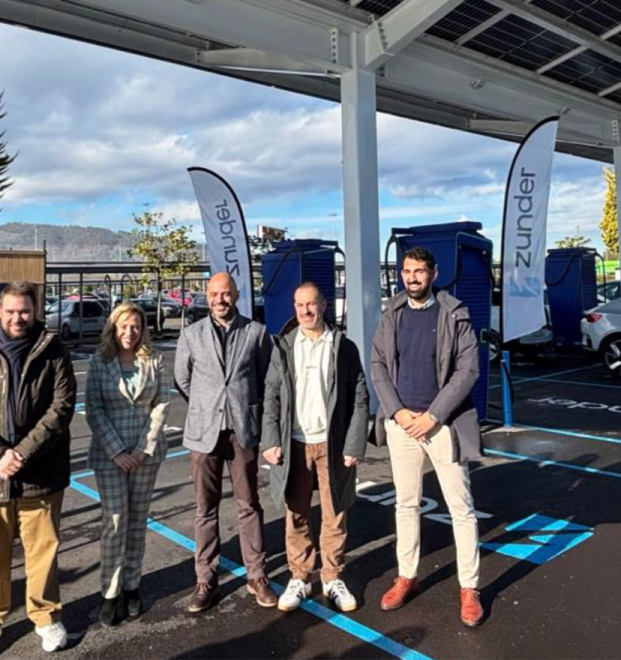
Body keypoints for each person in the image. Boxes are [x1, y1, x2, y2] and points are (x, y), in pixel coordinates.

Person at [0, 281, 76, 660]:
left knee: (43, 552)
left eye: (24, 310)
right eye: (10, 311)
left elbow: (61, 408)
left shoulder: (54, 351)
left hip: (41, 474)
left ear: (34, 311)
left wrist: (20, 454)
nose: (17, 318)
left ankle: (45, 616)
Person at [370, 247, 485, 627]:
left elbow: (468, 370)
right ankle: (407, 577)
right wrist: (398, 412)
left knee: (461, 508)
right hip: (401, 424)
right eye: (407, 271)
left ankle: (469, 588)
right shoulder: (393, 312)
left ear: (434, 274)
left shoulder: (455, 313)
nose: (412, 278)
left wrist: (434, 415)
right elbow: (379, 365)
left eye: (419, 271)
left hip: (443, 425)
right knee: (406, 505)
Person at [261, 283, 370, 613]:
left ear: (324, 305)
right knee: (296, 514)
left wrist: (354, 444)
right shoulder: (284, 347)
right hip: (295, 445)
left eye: (311, 304)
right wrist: (270, 440)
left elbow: (360, 397)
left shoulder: (343, 347)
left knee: (335, 513)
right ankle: (300, 577)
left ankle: (332, 577)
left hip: (332, 445)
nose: (305, 311)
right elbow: (271, 395)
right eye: (299, 305)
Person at [174, 272, 277, 612]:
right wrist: (208, 406)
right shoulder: (191, 334)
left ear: (236, 294)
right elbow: (182, 379)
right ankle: (205, 579)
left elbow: (266, 380)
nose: (220, 299)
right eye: (215, 293)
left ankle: (257, 575)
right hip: (204, 432)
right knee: (206, 508)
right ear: (207, 296)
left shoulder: (257, 333)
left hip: (242, 430)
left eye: (226, 293)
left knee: (249, 505)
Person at [85, 303, 171, 626]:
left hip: (145, 455)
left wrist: (141, 449)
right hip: (110, 456)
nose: (129, 332)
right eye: (123, 326)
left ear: (142, 328)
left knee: (137, 521)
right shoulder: (99, 361)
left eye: (135, 326)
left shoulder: (155, 359)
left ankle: (132, 585)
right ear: (113, 327)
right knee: (116, 521)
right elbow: (93, 408)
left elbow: (162, 403)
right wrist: (118, 451)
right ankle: (109, 591)